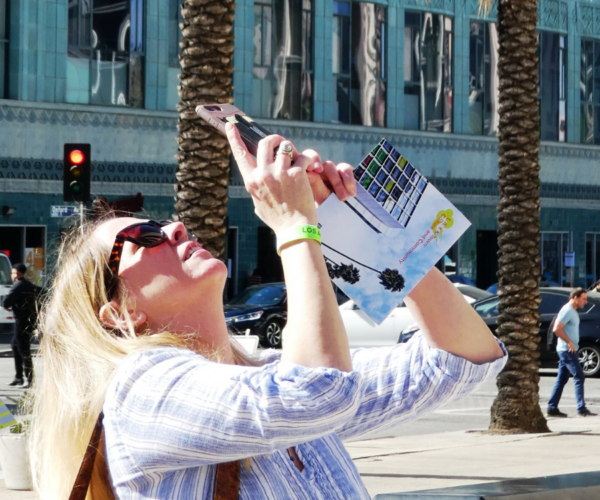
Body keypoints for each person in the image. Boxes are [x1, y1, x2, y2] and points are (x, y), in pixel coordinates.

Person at [29, 125, 506, 499]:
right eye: (142, 240)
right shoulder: (140, 390)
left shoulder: (270, 373)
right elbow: (317, 392)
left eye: (162, 222)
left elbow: (459, 360)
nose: (173, 228)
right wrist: (297, 227)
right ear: (118, 313)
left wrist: (353, 229)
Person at [547, 288, 597, 418]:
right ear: (575, 297)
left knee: (561, 379)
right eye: (584, 299)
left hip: (568, 349)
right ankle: (581, 408)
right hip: (566, 350)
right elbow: (557, 329)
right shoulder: (567, 310)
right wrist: (569, 341)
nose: (585, 302)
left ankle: (552, 408)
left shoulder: (572, 311)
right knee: (579, 376)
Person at [3, 263, 38, 388]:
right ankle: (18, 377)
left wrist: (7, 304)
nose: (12, 275)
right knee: (15, 345)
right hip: (29, 320)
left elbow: (6, 301)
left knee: (23, 349)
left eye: (12, 273)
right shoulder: (29, 285)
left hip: (21, 321)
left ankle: (29, 379)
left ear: (16, 274)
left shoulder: (18, 285)